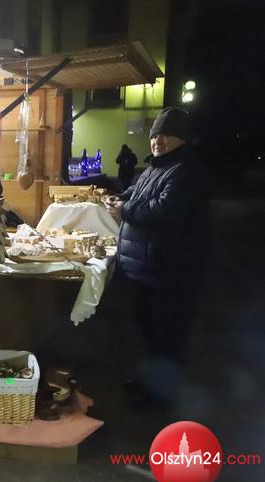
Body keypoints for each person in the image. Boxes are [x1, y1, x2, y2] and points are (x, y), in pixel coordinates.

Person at [105, 107, 207, 407]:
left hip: (169, 270)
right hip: (148, 269)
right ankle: (149, 383)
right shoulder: (155, 167)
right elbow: (135, 194)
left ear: (182, 139)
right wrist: (119, 199)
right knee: (149, 330)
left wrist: (124, 211)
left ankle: (160, 396)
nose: (157, 141)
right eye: (155, 135)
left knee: (166, 334)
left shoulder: (185, 170)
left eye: (166, 135)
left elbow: (164, 211)